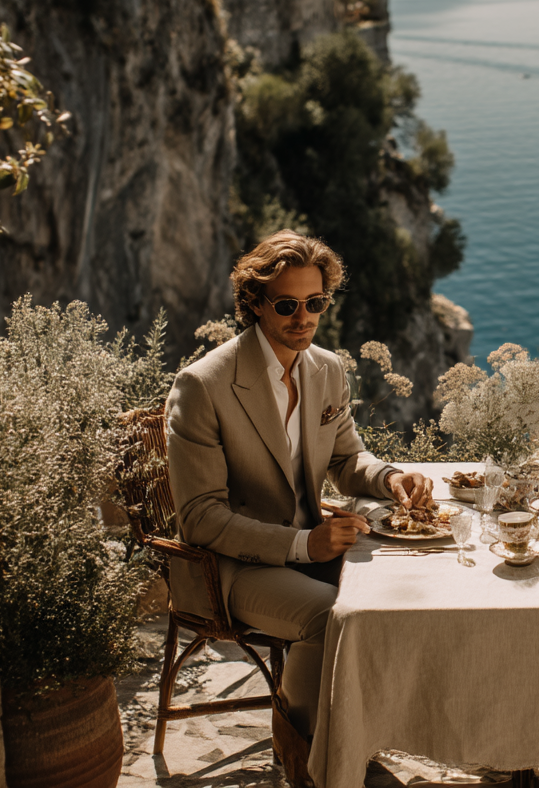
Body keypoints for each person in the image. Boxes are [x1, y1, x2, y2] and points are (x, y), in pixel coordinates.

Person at [166, 230, 434, 738]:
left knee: (414, 586)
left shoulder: (326, 368)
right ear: (255, 304)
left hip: (312, 544)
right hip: (230, 569)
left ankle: (376, 729)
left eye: (316, 302)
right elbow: (199, 517)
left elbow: (347, 458)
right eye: (288, 303)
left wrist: (392, 477)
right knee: (330, 617)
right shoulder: (203, 385)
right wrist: (303, 544)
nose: (303, 317)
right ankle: (307, 752)